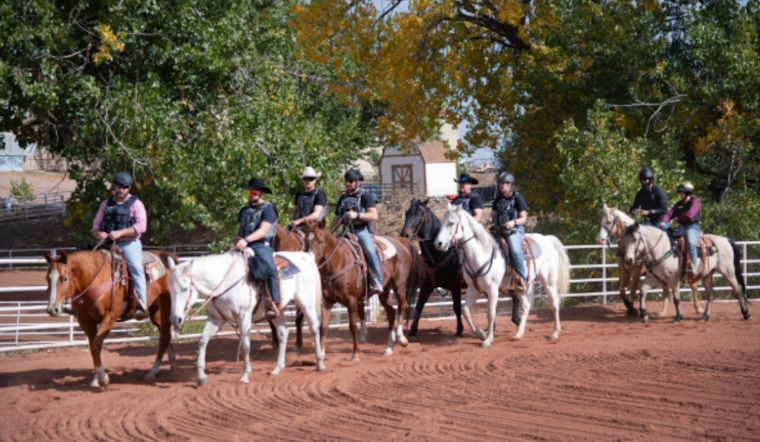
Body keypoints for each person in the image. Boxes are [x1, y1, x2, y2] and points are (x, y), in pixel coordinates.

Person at [92, 172, 149, 319]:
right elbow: (96, 226)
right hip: (108, 243)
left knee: (136, 269)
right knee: (90, 265)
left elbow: (141, 226)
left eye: (124, 187)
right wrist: (99, 234)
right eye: (119, 187)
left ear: (129, 188)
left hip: (129, 243)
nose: (121, 190)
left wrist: (120, 232)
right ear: (114, 187)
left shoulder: (136, 204)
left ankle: (142, 304)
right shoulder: (106, 204)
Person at [331, 169, 383, 294]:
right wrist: (330, 232)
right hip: (345, 232)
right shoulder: (343, 198)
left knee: (370, 252)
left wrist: (357, 215)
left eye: (351, 181)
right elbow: (337, 217)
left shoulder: (365, 196)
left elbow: (373, 215)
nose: (348, 184)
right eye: (347, 181)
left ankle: (377, 280)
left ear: (358, 182)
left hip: (361, 231)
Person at [236, 177, 280, 319]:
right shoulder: (244, 210)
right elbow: (240, 229)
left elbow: (262, 231)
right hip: (243, 244)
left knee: (270, 269)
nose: (250, 194)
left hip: (261, 245)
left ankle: (273, 302)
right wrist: (237, 241)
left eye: (253, 191)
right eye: (249, 191)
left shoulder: (268, 209)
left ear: (261, 193)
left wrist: (246, 240)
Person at [488, 172, 528, 290]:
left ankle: (522, 279)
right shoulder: (498, 199)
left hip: (514, 231)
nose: (502, 185)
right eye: (500, 183)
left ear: (510, 184)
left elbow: (523, 219)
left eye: (504, 183)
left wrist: (513, 222)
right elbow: (493, 214)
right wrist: (491, 218)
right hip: (499, 230)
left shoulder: (518, 199)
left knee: (515, 251)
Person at [660, 182, 701, 275]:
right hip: (681, 228)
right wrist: (664, 221)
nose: (680, 194)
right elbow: (669, 214)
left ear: (687, 192)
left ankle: (694, 267)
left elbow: (690, 214)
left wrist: (678, 218)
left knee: (690, 243)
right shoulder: (679, 204)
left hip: (692, 227)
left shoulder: (695, 202)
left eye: (681, 192)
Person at [290, 166, 326, 237]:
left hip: (314, 229)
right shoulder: (299, 193)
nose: (308, 181)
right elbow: (295, 210)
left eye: (311, 179)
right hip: (299, 228)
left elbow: (316, 214)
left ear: (315, 180)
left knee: (310, 245)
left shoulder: (319, 194)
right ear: (303, 180)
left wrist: (299, 221)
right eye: (305, 178)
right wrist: (294, 223)